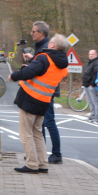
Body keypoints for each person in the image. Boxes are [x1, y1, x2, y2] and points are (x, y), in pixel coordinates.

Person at [8, 34, 69, 173]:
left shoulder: (44, 57)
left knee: (26, 133)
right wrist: (33, 62)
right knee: (37, 133)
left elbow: (30, 72)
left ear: (52, 45)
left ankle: (31, 164)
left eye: (51, 42)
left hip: (30, 99)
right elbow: (45, 73)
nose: (49, 44)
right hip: (44, 101)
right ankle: (42, 164)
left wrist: (14, 76)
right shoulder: (61, 64)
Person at [24, 21, 63, 163]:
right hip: (45, 89)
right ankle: (41, 154)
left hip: (46, 89)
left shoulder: (46, 48)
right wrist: (31, 60)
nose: (31, 33)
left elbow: (46, 69)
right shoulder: (43, 47)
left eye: (33, 31)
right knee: (41, 122)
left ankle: (56, 154)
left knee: (48, 121)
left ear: (41, 33)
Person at [82, 49, 98, 122]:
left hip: (91, 86)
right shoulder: (89, 62)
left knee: (95, 101)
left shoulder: (96, 63)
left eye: (92, 54)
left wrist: (92, 84)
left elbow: (95, 74)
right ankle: (92, 115)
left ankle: (97, 116)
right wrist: (84, 84)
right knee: (90, 101)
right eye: (90, 54)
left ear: (96, 55)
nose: (91, 55)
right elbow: (86, 73)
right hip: (86, 85)